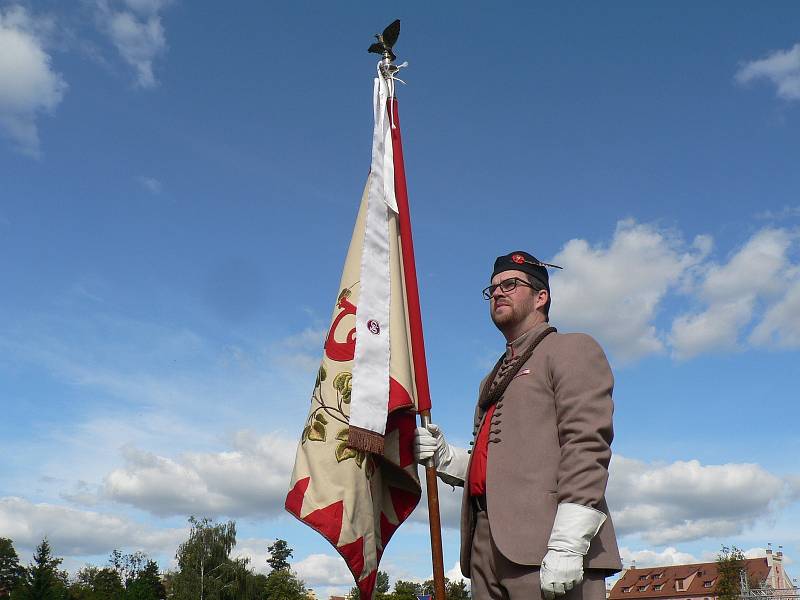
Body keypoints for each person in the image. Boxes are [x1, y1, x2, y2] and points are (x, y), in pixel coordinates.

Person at [414, 251, 622, 600]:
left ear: (542, 297)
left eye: (510, 284)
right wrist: (444, 457)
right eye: (492, 288)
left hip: (547, 544)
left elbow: (587, 445)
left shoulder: (570, 349)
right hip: (484, 545)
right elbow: (497, 467)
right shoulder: (491, 379)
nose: (497, 293)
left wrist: (568, 543)